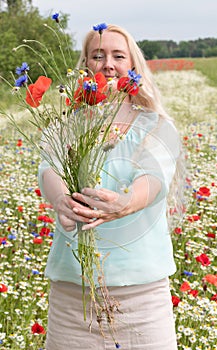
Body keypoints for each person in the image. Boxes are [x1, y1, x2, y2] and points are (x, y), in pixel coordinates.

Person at [38, 23, 184, 350]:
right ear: (85, 67)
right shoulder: (66, 125)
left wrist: (126, 202)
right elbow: (48, 168)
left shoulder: (158, 125)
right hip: (72, 298)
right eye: (97, 55)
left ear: (132, 66)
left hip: (143, 300)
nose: (108, 63)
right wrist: (62, 200)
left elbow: (154, 177)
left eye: (119, 55)